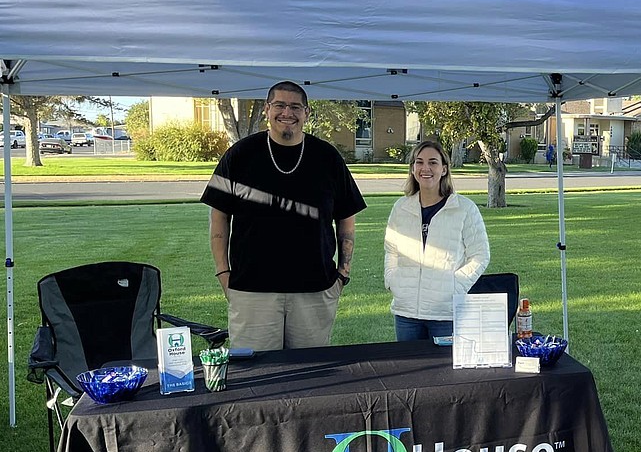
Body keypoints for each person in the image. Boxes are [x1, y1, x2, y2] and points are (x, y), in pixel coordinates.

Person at [200, 81, 366, 351]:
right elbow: (218, 215)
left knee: (310, 375)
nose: (287, 112)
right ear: (266, 109)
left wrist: (342, 273)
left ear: (306, 113)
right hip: (252, 291)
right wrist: (222, 272)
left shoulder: (328, 158)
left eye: (295, 106)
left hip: (314, 290)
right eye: (279, 105)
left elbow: (346, 216)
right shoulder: (239, 155)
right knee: (257, 379)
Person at [384, 139, 490, 341]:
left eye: (433, 162)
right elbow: (391, 250)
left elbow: (480, 255)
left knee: (444, 371)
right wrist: (392, 280)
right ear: (413, 168)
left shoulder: (464, 209)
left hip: (445, 314)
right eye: (419, 162)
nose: (425, 168)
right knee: (408, 370)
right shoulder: (401, 208)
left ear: (444, 169)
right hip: (406, 313)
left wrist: (454, 286)